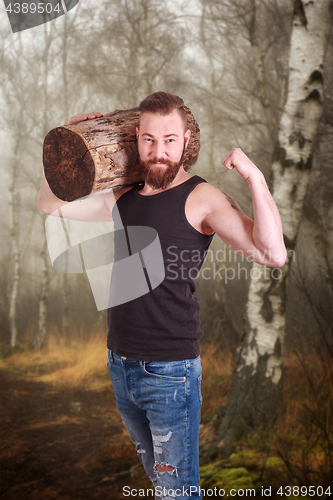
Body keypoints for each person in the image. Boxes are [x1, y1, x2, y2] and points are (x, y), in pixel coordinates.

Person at [37, 92, 286, 499]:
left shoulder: (202, 198)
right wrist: (70, 145)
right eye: (149, 139)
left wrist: (254, 176)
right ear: (136, 138)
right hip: (121, 364)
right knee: (164, 487)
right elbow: (49, 205)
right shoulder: (125, 195)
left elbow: (272, 254)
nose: (158, 151)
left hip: (169, 372)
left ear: (186, 141)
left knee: (177, 493)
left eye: (169, 139)